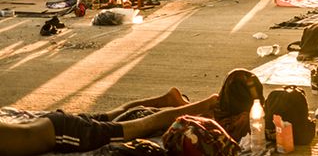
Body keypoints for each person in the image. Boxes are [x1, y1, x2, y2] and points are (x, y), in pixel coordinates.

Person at [0, 88, 218, 156]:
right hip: (58, 126)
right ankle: (167, 99)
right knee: (111, 115)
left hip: (62, 132)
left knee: (137, 127)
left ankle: (204, 105)